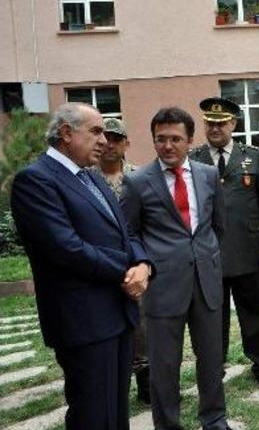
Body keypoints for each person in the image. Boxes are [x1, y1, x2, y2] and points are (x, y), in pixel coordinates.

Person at [11, 102, 151, 429]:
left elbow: (125, 230)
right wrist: (126, 270)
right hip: (83, 321)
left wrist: (143, 263)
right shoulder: (36, 180)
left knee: (116, 412)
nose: (103, 140)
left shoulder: (92, 177)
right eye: (96, 131)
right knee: (92, 414)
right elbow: (66, 248)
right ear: (65, 133)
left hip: (116, 315)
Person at [122, 107, 232, 430]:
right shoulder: (138, 182)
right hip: (163, 287)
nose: (168, 146)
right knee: (164, 365)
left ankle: (214, 419)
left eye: (175, 139)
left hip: (206, 282)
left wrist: (207, 257)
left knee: (211, 360)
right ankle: (167, 425)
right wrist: (146, 264)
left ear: (190, 140)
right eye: (161, 139)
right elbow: (129, 233)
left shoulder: (208, 174)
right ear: (153, 140)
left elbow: (218, 226)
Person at [188, 97, 259, 391]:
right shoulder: (193, 159)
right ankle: (213, 368)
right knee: (212, 317)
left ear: (233, 124)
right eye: (210, 123)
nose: (215, 128)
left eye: (221, 123)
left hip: (249, 251)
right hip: (208, 254)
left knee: (256, 312)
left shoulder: (251, 157)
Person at [89, 117, 150, 405]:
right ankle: (114, 384)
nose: (110, 144)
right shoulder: (85, 177)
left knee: (141, 325)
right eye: (105, 137)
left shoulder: (141, 176)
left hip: (136, 264)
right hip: (99, 265)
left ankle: (145, 378)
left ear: (126, 143)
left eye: (116, 138)